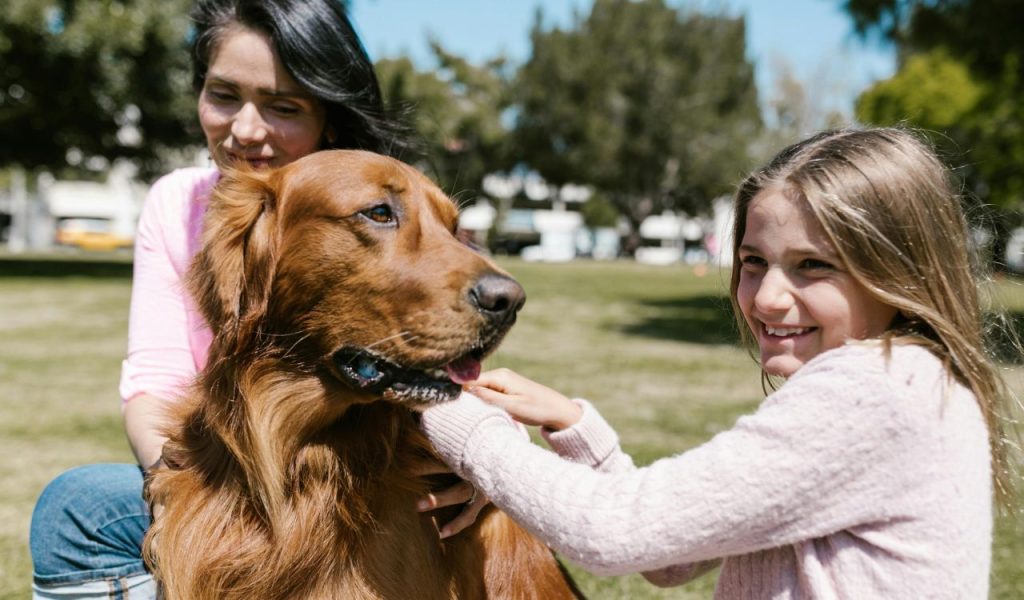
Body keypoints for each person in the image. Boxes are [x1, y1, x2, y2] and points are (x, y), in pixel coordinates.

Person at [419, 127, 1019, 597]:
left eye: (813, 266)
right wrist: (576, 428)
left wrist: (449, 413)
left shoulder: (877, 393)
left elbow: (614, 533)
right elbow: (670, 559)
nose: (766, 297)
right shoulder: (912, 382)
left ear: (898, 272)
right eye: (754, 261)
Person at [29, 1, 482, 598]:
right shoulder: (179, 203)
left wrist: (484, 462)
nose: (245, 130)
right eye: (224, 95)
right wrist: (179, 498)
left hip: (361, 476)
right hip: (221, 464)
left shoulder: (399, 203)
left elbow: (452, 365)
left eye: (283, 106)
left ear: (330, 119)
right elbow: (155, 379)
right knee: (80, 504)